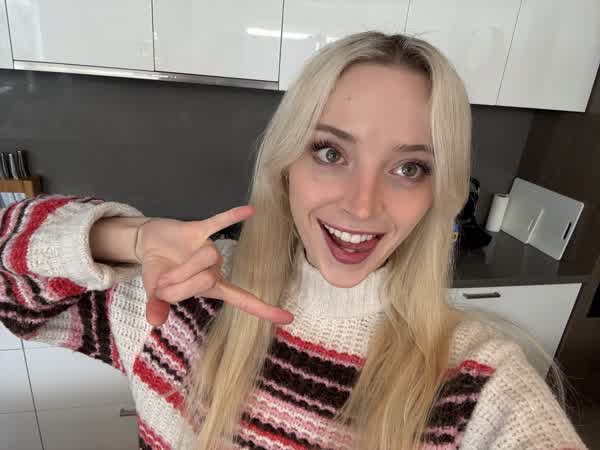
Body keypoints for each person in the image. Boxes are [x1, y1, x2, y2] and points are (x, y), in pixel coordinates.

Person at [0, 31, 587, 450]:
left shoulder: (475, 383)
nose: (362, 205)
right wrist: (127, 238)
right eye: (330, 153)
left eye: (409, 168)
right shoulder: (179, 297)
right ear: (285, 165)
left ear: (440, 192)